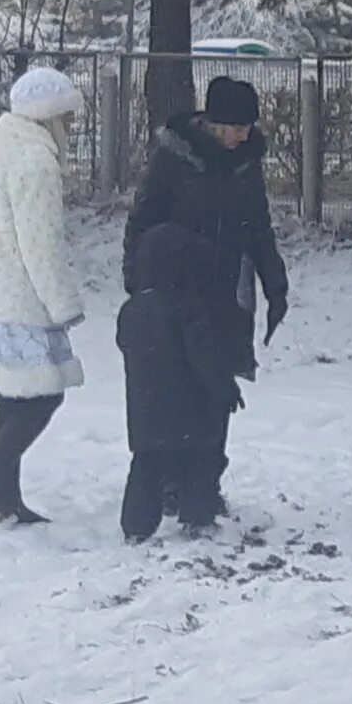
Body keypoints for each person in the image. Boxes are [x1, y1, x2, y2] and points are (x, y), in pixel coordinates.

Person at [123, 75, 291, 482]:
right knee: (179, 382)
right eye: (233, 128)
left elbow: (258, 224)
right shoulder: (173, 158)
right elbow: (142, 221)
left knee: (219, 384)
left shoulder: (247, 162)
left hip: (229, 288)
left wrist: (275, 283)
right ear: (212, 123)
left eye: (246, 128)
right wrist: (138, 282)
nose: (240, 135)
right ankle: (169, 477)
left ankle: (206, 480)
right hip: (177, 290)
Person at [0, 65, 88, 524]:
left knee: (10, 397)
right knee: (45, 394)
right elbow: (41, 242)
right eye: (67, 118)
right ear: (49, 118)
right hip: (22, 298)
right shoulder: (36, 161)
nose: (72, 128)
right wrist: (63, 304)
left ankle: (4, 501)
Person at [117, 220, 241, 540]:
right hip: (191, 409)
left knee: (145, 467)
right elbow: (204, 358)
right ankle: (197, 516)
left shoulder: (131, 310)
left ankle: (136, 526)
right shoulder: (188, 308)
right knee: (197, 463)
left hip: (145, 408)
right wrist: (225, 388)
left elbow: (125, 345)